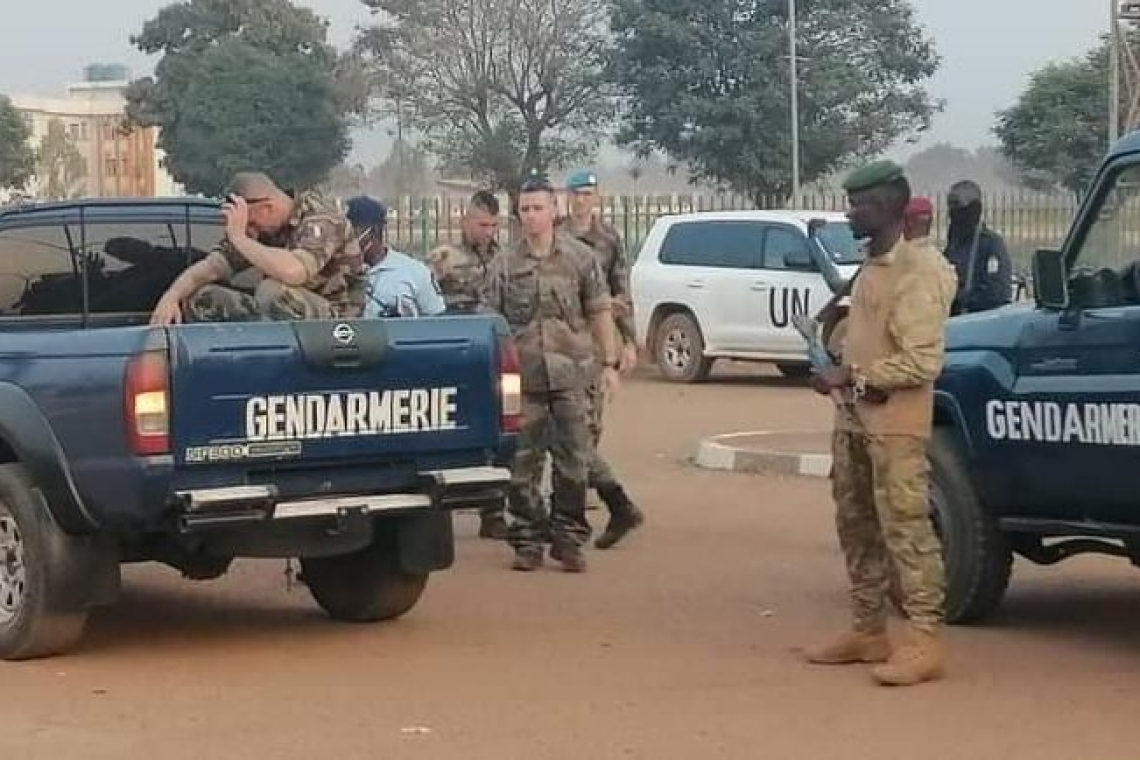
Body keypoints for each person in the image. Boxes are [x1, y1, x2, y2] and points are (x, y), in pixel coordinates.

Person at [805, 160, 957, 687]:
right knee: (856, 524)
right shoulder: (872, 266)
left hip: (895, 424)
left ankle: (924, 640)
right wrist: (836, 370)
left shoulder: (921, 271)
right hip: (855, 419)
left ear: (891, 206)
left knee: (907, 531)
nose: (851, 213)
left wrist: (852, 374)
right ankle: (869, 629)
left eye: (861, 204)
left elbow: (920, 363)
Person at [482, 172, 620, 573]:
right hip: (517, 379)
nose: (531, 216)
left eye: (538, 208)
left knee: (573, 462)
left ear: (553, 210)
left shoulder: (580, 258)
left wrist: (609, 364)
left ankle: (568, 538)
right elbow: (490, 321)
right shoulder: (503, 264)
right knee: (519, 462)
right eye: (524, 209)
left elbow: (599, 311)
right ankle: (527, 538)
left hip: (572, 375)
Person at [546, 168, 644, 550]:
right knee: (566, 433)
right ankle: (588, 509)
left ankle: (593, 509)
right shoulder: (556, 234)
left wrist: (629, 342)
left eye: (588, 194)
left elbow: (622, 289)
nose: (582, 200)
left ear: (597, 197)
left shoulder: (608, 238)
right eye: (576, 194)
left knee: (582, 432)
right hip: (556, 345)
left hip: (592, 347)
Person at [150, 172, 365, 325]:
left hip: (337, 325)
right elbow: (209, 268)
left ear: (267, 208)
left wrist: (240, 238)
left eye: (251, 223)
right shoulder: (263, 232)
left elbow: (295, 271)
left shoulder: (321, 219)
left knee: (272, 290)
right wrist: (171, 297)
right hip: (286, 317)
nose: (250, 231)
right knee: (203, 298)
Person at [345, 196, 446, 318]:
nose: (345, 240)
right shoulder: (334, 274)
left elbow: (437, 320)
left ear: (373, 231)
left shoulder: (415, 272)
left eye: (351, 234)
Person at [425, 190, 502, 315]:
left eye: (494, 225)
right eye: (483, 225)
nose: (489, 232)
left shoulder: (503, 258)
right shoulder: (444, 257)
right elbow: (423, 299)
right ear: (464, 222)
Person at [943, 180, 1012, 316]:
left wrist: (961, 298)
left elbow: (996, 294)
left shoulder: (990, 244)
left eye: (957, 205)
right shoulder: (955, 243)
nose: (952, 214)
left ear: (974, 209)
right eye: (950, 205)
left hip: (977, 319)